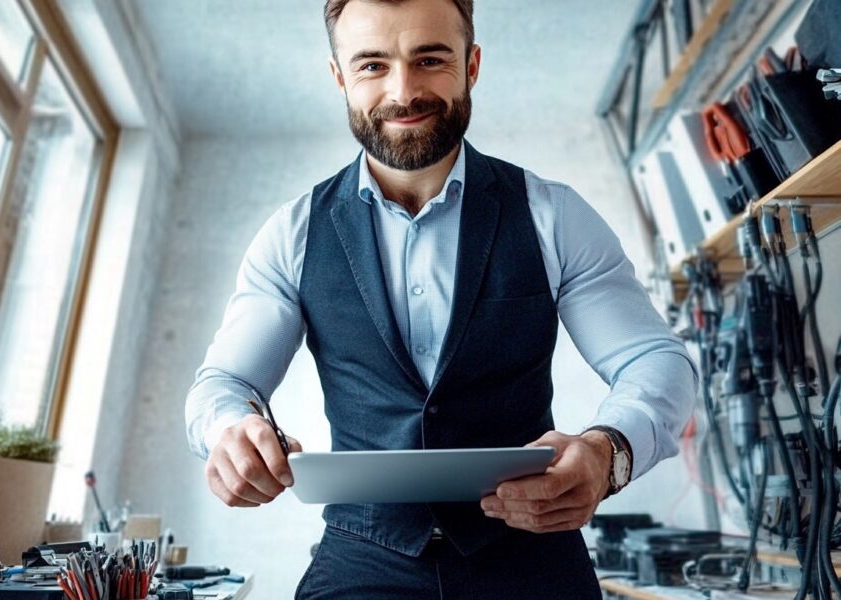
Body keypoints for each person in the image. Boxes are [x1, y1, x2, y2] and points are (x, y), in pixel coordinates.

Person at [185, 0, 698, 597]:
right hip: (360, 561)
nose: (403, 91)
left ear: (471, 65)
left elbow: (655, 361)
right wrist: (231, 429)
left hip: (533, 552)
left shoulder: (555, 217)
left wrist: (608, 452)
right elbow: (224, 383)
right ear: (339, 77)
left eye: (429, 59)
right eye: (372, 65)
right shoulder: (291, 235)